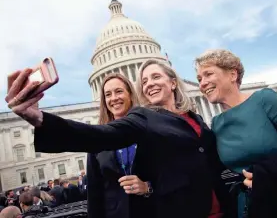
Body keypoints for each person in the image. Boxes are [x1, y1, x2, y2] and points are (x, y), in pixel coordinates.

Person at [6, 59, 230, 218]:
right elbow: (99, 136)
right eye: (144, 80)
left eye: (156, 76)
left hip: (223, 206)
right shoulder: (145, 119)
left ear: (173, 82)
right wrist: (39, 118)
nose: (150, 83)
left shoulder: (196, 119)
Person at [195, 49, 277, 218]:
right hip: (251, 205)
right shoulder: (216, 124)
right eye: (199, 79)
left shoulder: (264, 99)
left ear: (233, 75)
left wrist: (264, 177)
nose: (202, 83)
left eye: (208, 74)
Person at [86, 73, 154, 218]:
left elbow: (169, 175)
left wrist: (148, 187)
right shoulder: (98, 139)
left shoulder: (151, 130)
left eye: (119, 91)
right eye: (108, 94)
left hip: (152, 210)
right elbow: (94, 192)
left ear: (130, 94)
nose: (114, 98)